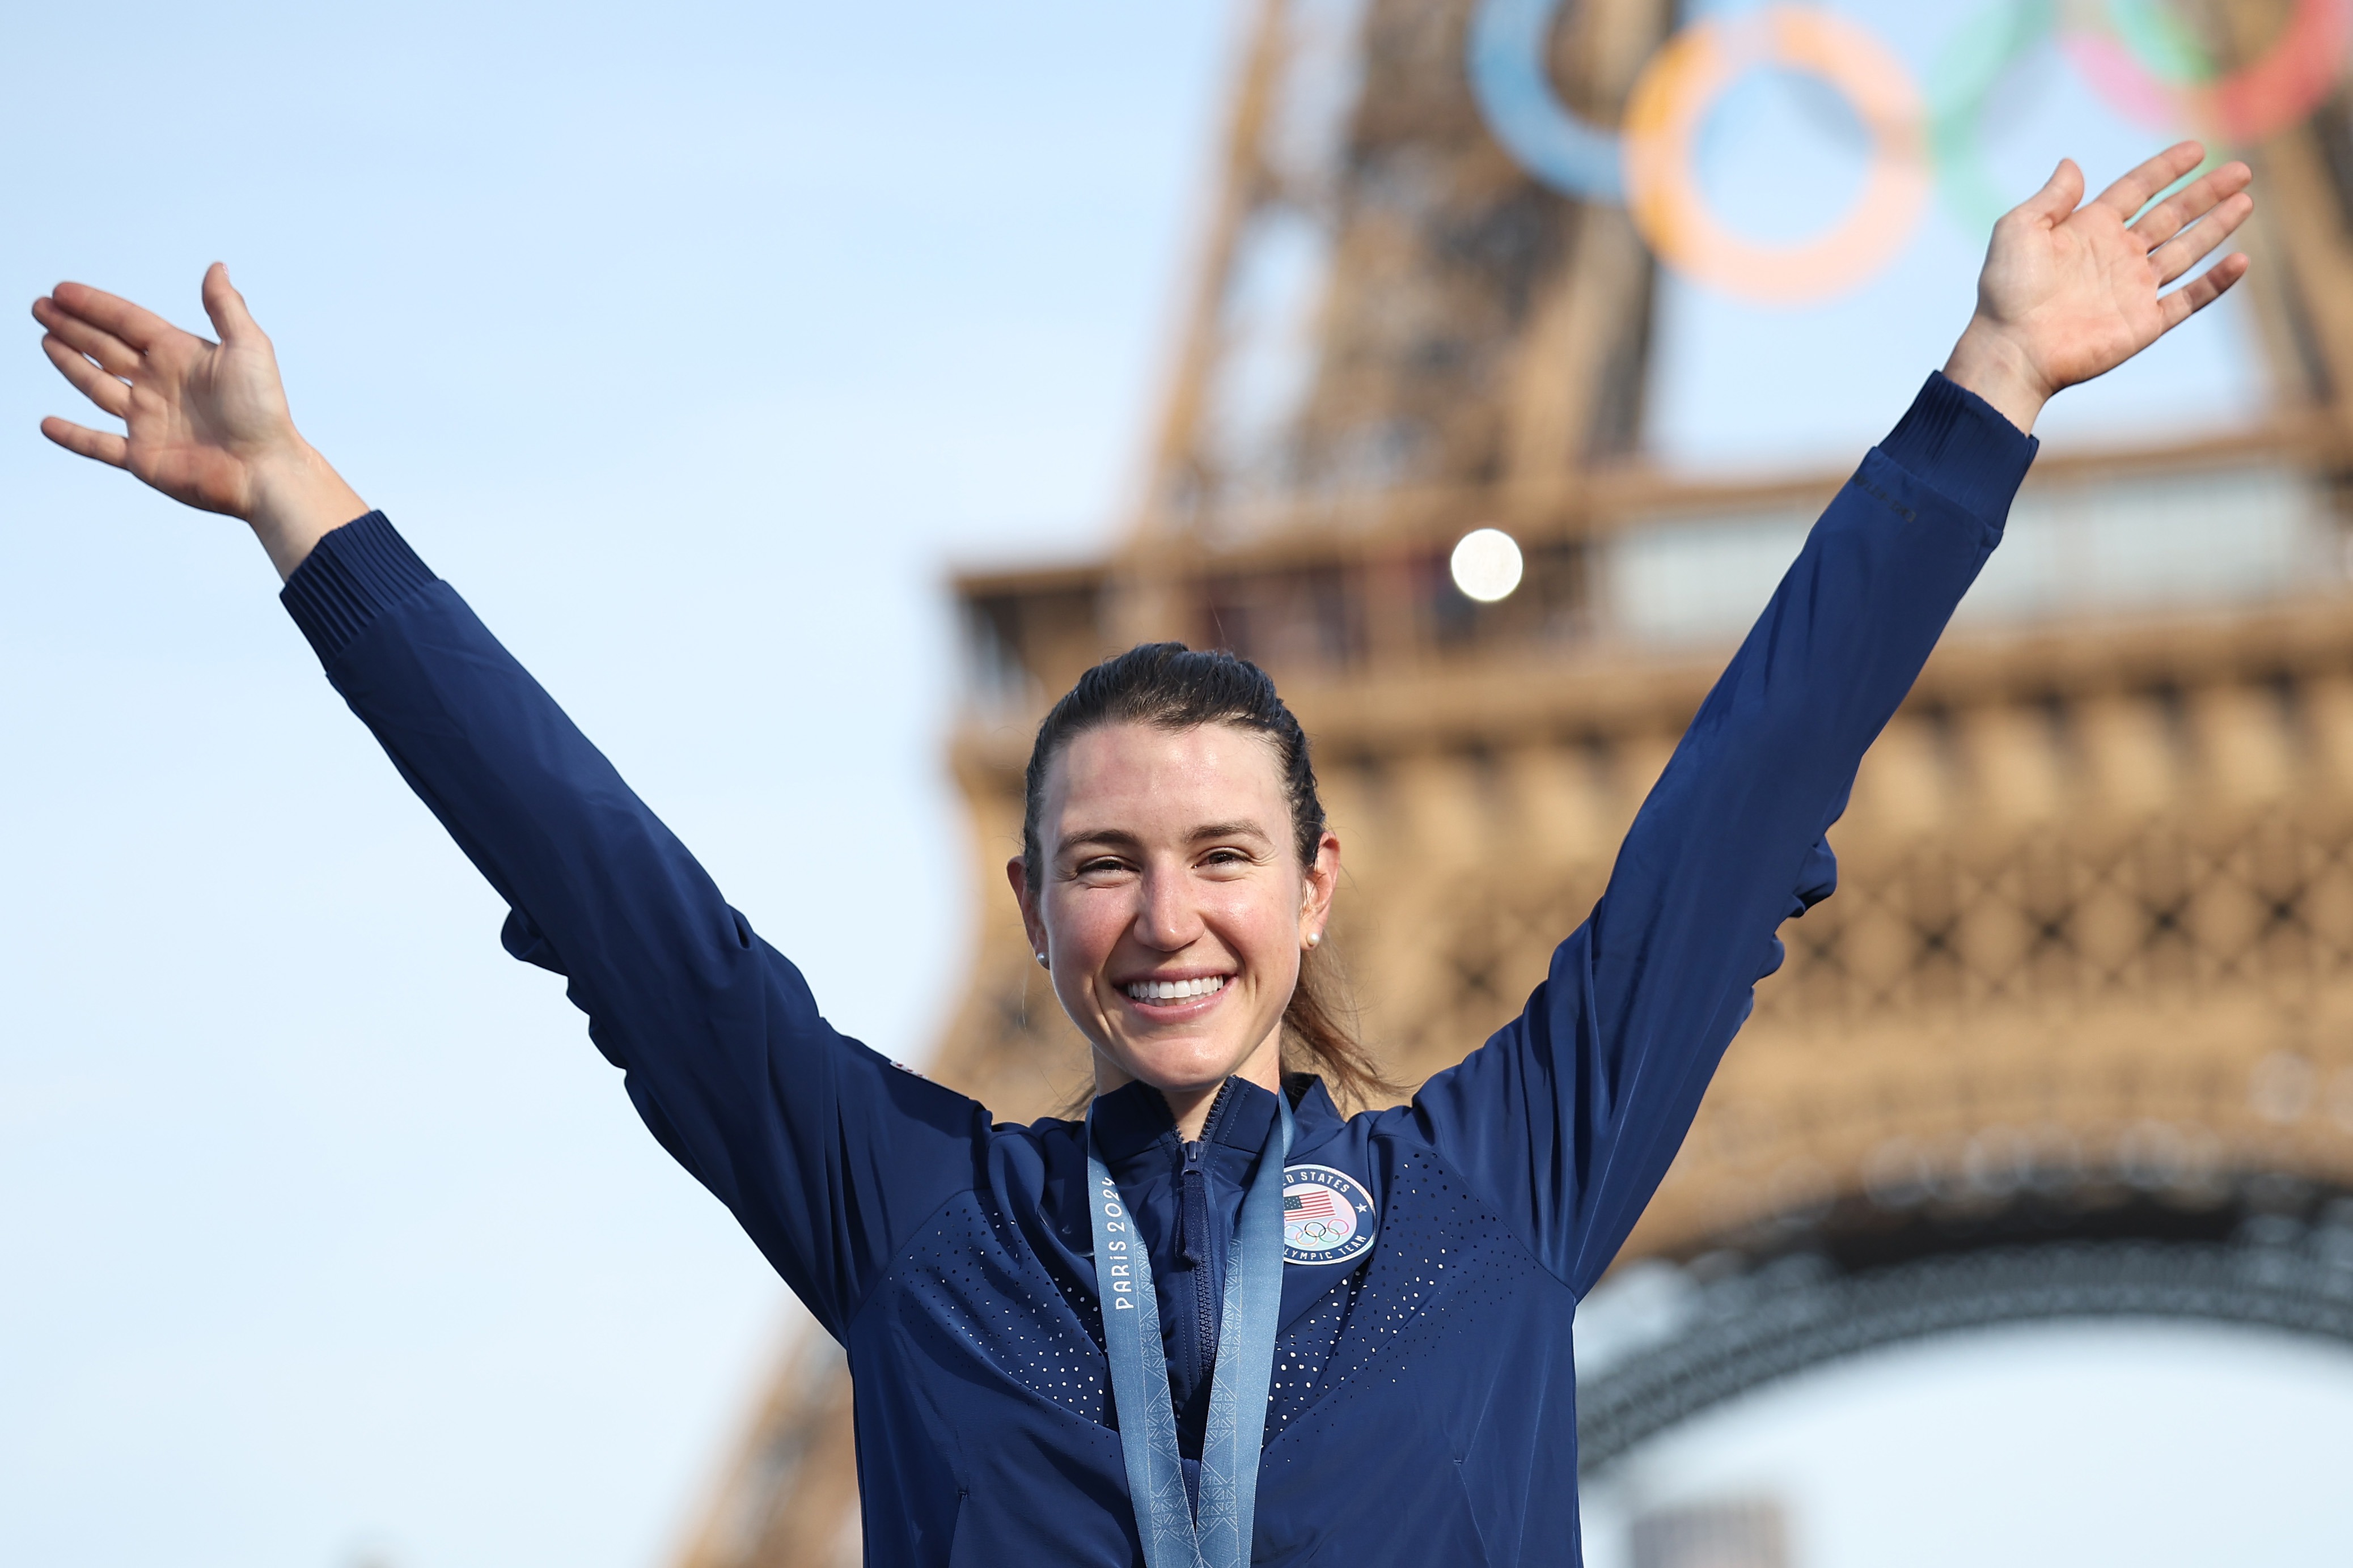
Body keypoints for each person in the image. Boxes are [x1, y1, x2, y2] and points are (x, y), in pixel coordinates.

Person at [32, 142, 2250, 1566]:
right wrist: (309, 516)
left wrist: (1984, 393)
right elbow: (620, 905)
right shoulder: (915, 1217)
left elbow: (1741, 806)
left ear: (1317, 880)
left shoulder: (1499, 1188)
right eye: (1103, 861)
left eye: (1217, 853)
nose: (1162, 911)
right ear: (1033, 911)